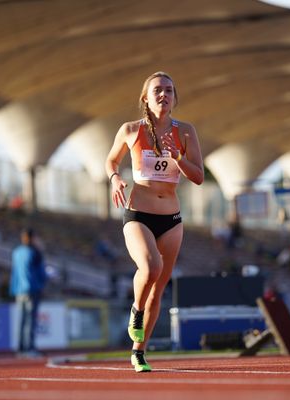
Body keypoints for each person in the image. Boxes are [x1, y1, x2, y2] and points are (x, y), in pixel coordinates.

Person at [105, 71, 204, 372]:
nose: (164, 95)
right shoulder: (131, 130)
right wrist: (115, 179)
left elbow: (198, 176)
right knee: (150, 268)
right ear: (145, 98)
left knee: (159, 289)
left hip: (172, 219)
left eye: (170, 91)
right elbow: (111, 160)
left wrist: (179, 160)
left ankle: (139, 352)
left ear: (175, 98)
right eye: (158, 90)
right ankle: (136, 309)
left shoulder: (186, 132)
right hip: (139, 214)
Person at [9, 227, 47, 356]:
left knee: (22, 319)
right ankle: (29, 348)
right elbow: (41, 272)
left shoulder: (16, 252)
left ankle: (20, 349)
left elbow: (15, 272)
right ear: (32, 238)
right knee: (30, 320)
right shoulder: (34, 252)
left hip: (19, 290)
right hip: (32, 289)